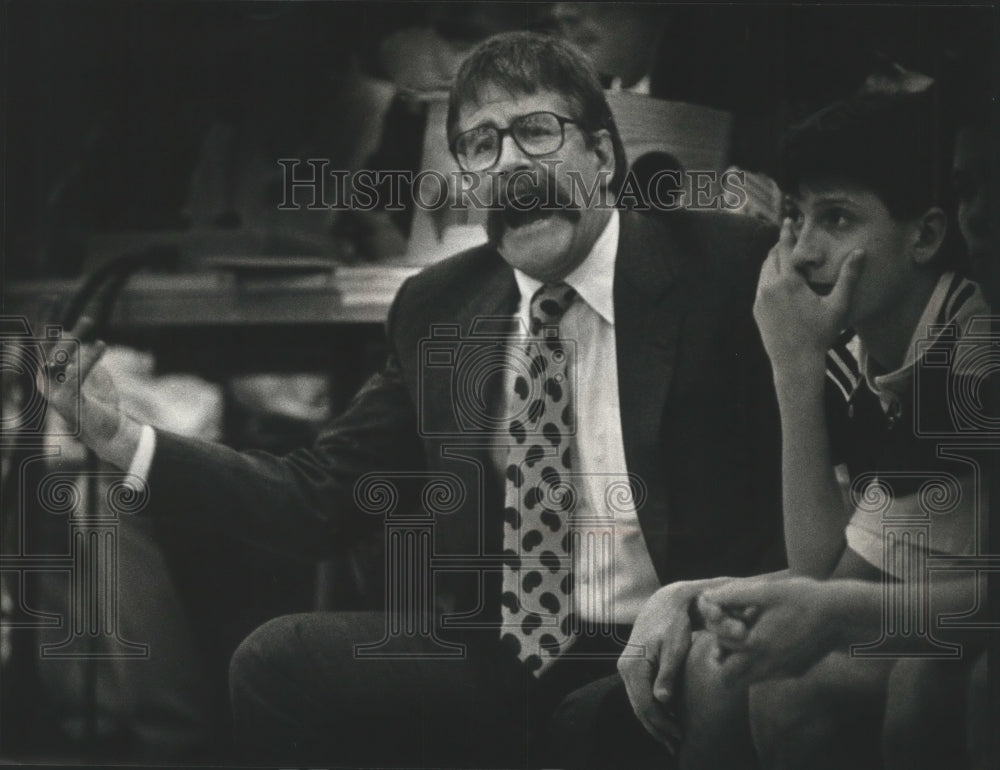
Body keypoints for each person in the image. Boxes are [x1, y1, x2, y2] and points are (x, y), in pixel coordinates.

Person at [43, 32, 782, 768]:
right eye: (481, 145)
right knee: (277, 662)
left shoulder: (724, 268)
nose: (510, 164)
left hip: (665, 648)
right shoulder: (441, 307)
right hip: (507, 655)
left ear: (602, 155)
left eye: (536, 131)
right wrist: (122, 438)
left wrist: (714, 604)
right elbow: (317, 498)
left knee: (621, 718)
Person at [622, 90, 993, 769]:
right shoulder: (865, 350)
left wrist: (794, 365)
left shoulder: (964, 352)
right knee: (720, 667)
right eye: (795, 217)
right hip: (939, 611)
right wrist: (685, 595)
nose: (801, 254)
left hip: (968, 633)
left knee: (776, 686)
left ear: (925, 236)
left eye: (838, 218)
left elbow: (825, 584)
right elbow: (829, 570)